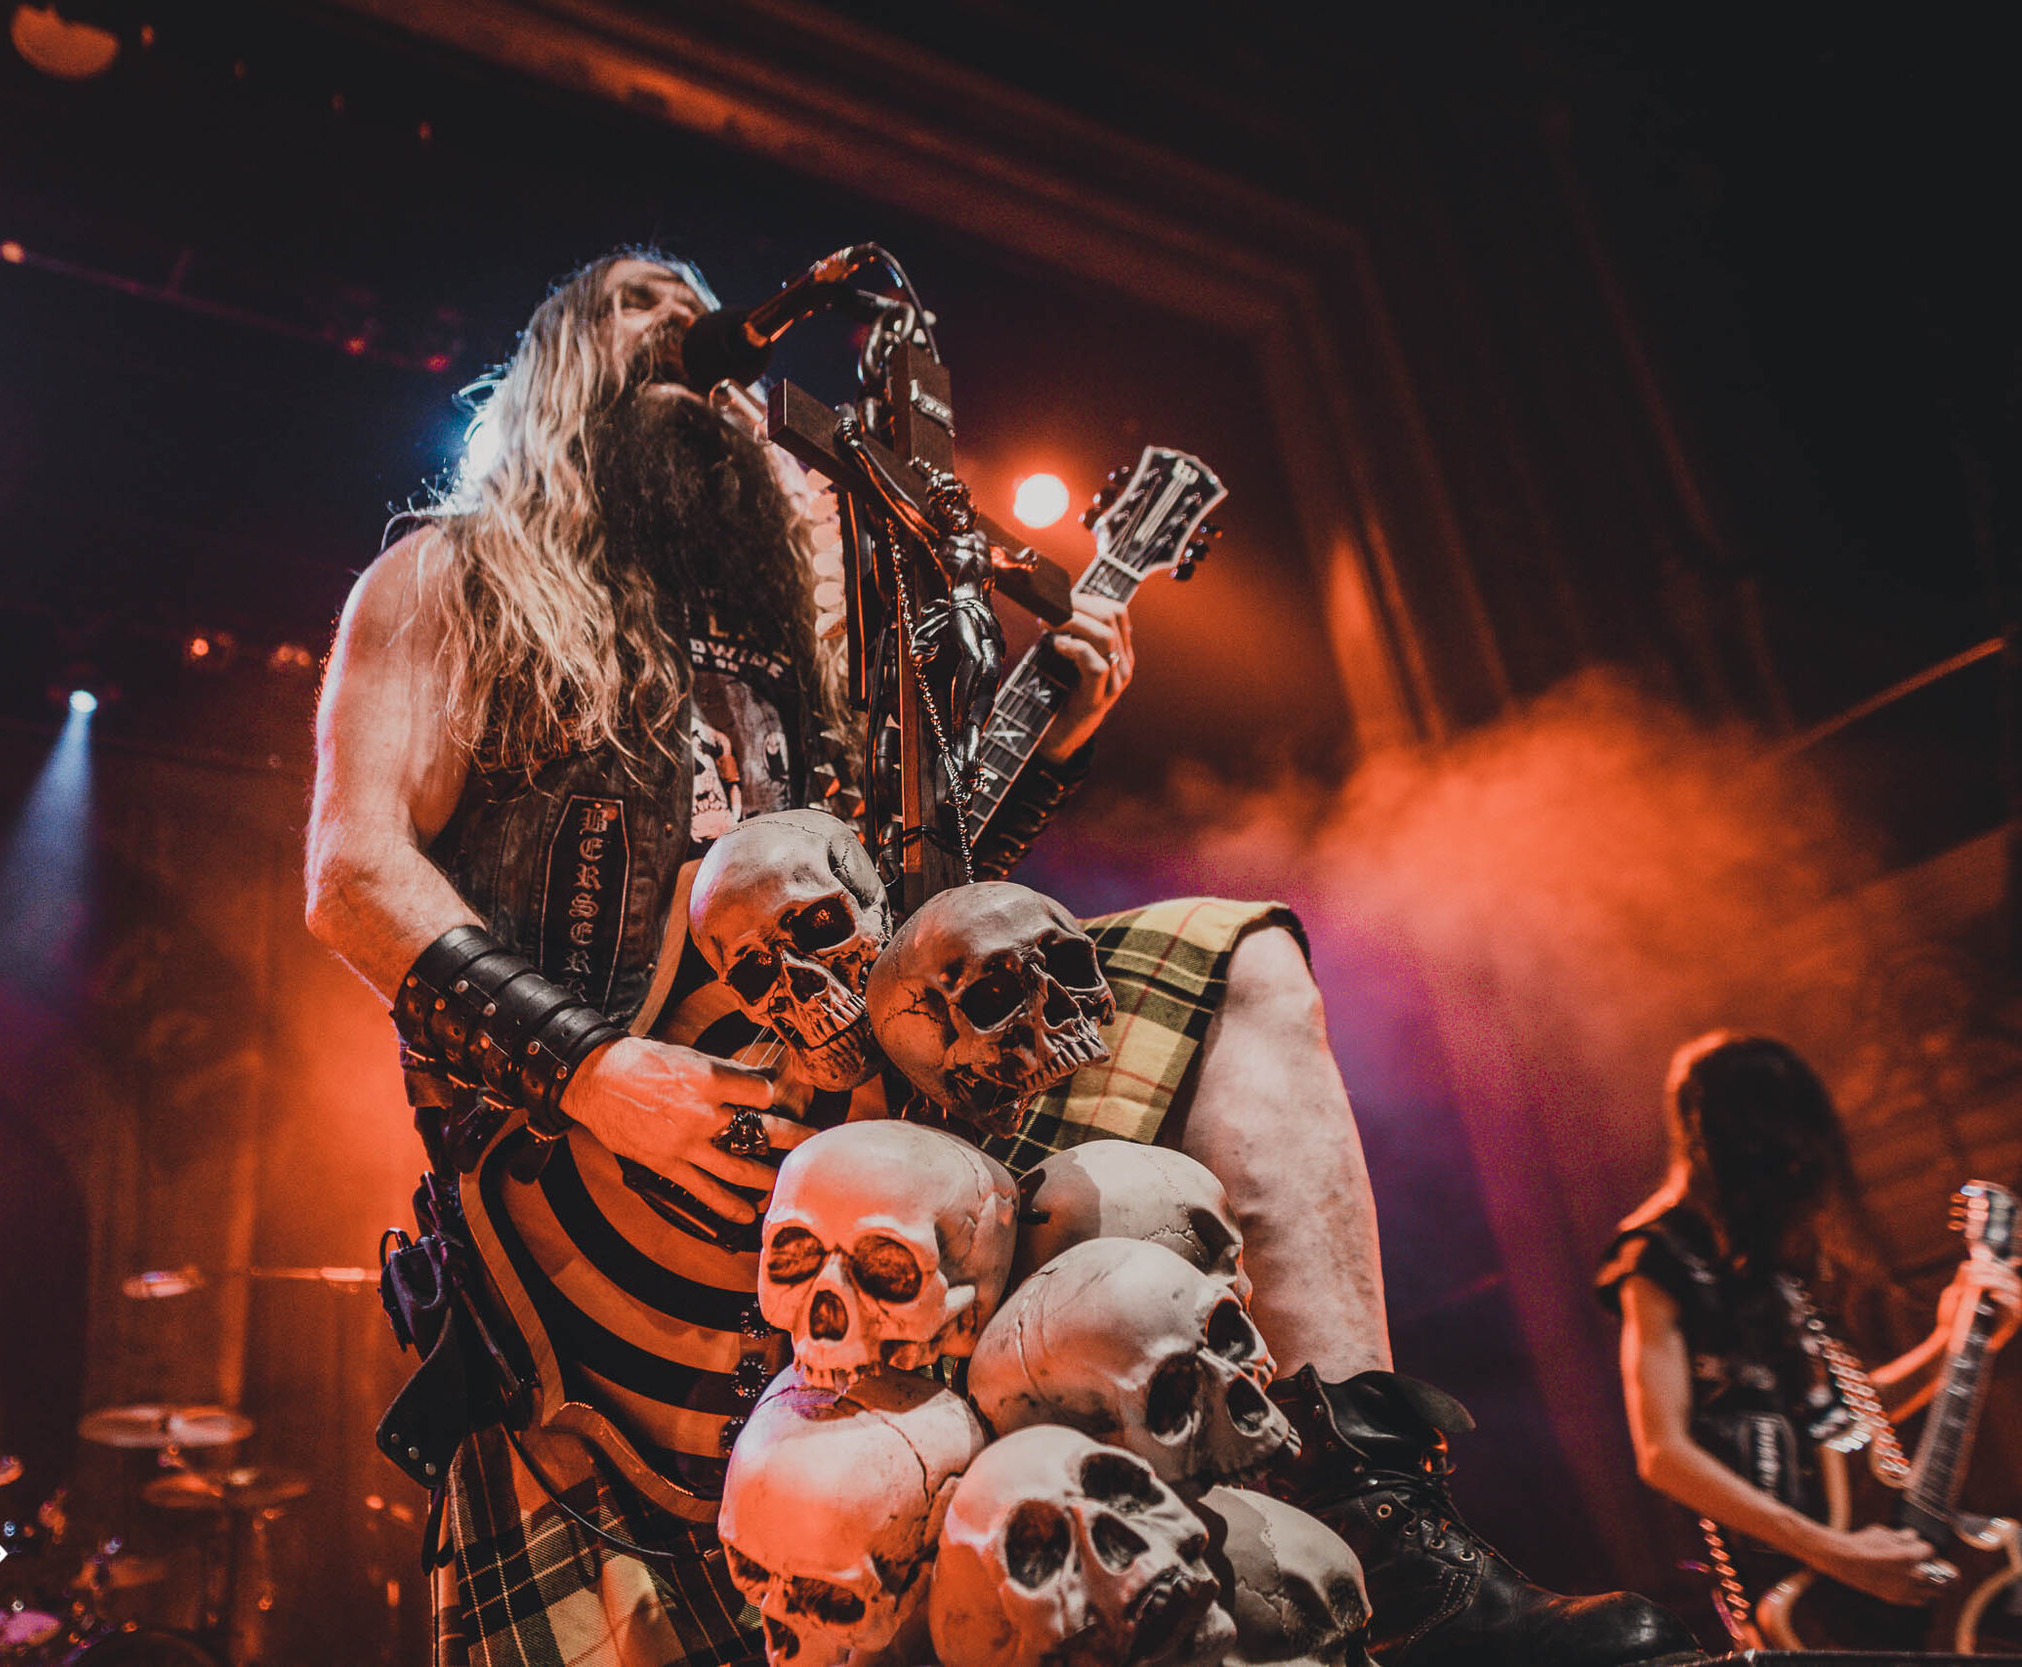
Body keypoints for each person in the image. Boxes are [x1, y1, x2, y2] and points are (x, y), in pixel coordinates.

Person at [307, 249, 1694, 1667]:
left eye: (698, 313)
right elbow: (354, 874)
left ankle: (1372, 1511)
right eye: (635, 313)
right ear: (555, 382)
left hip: (872, 1144)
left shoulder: (827, 618)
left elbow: (933, 903)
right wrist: (594, 1067)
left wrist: (1057, 736)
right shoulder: (450, 579)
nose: (688, 335)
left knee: (1242, 965)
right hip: (597, 1190)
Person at [1600, 1031, 2022, 1645]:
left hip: (1869, 1558)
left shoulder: (1770, 1259)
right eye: (1778, 1151)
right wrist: (1837, 1554)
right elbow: (1664, 1452)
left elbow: (1839, 1416)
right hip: (1801, 1590)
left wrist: (1954, 1342)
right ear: (1720, 1140)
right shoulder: (1656, 1254)